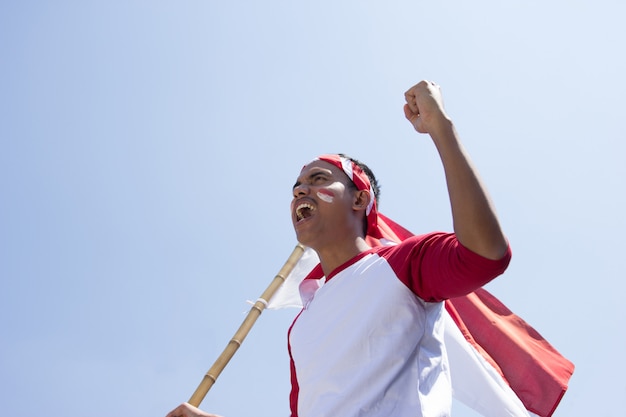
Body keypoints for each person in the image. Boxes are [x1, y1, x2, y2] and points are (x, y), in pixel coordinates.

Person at [166, 80, 511, 417]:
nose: (301, 191)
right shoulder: (301, 326)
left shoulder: (402, 263)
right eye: (297, 187)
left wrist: (441, 127)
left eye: (318, 180)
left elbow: (485, 255)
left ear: (360, 198)